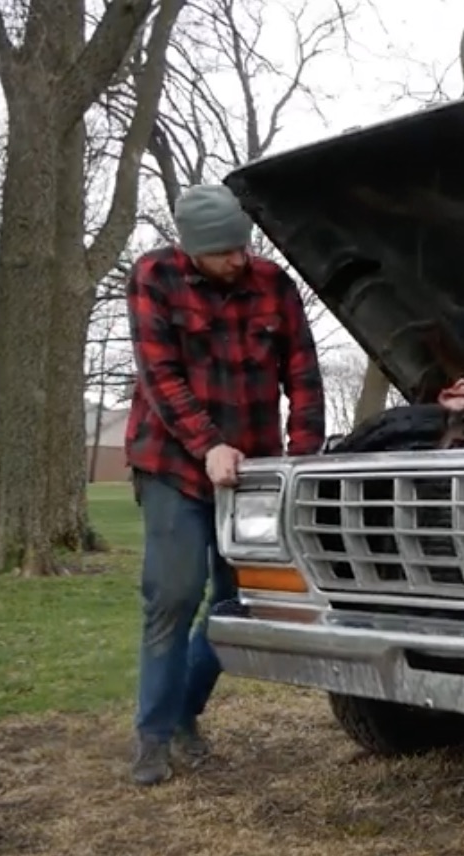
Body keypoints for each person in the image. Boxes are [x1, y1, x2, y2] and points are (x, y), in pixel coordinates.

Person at [123, 183, 326, 786]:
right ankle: (154, 736)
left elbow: (303, 371)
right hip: (175, 465)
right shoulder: (154, 277)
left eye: (243, 246)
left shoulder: (273, 284)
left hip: (253, 475)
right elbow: (159, 376)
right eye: (224, 253)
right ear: (191, 251)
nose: (239, 259)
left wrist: (302, 458)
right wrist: (208, 443)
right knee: (174, 599)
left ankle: (185, 712)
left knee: (244, 602)